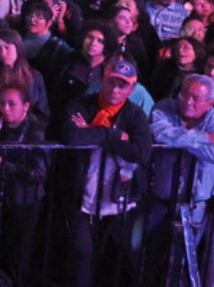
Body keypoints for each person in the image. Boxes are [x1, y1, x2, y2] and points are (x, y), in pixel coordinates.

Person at [64, 56, 153, 287]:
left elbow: (141, 151)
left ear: (132, 88)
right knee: (82, 258)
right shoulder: (82, 105)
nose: (115, 89)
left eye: (122, 84)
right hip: (83, 196)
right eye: (112, 82)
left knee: (114, 263)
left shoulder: (135, 115)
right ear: (103, 80)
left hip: (119, 200)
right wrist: (113, 134)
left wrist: (94, 131)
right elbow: (73, 137)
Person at [145, 73, 214, 279]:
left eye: (195, 98)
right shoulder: (164, 108)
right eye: (184, 94)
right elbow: (158, 132)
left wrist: (179, 139)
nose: (187, 101)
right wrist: (205, 138)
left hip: (196, 205)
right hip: (159, 200)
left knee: (184, 263)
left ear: (210, 102)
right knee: (149, 256)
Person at [0, 83, 48, 284]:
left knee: (18, 255)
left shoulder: (35, 131)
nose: (5, 109)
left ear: (26, 106)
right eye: (2, 104)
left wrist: (5, 165)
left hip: (24, 200)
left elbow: (39, 174)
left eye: (12, 104)